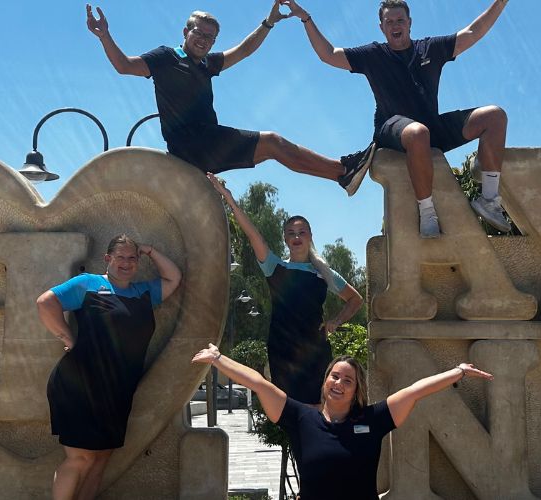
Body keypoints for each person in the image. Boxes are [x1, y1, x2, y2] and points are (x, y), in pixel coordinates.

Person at [85, 2, 376, 195]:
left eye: (210, 38)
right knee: (273, 142)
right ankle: (342, 170)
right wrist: (104, 36)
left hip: (210, 143)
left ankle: (341, 176)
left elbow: (244, 50)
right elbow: (124, 66)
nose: (204, 40)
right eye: (199, 33)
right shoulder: (167, 57)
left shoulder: (207, 64)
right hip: (192, 147)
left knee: (274, 148)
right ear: (186, 32)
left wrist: (269, 22)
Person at [286, 0, 515, 237]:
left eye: (400, 20)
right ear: (382, 27)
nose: (395, 25)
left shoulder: (429, 48)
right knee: (417, 133)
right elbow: (328, 54)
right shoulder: (373, 55)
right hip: (391, 128)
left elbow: (472, 33)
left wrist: (500, 3)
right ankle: (427, 213)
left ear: (409, 23)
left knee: (494, 116)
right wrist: (306, 18)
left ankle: (489, 199)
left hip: (431, 127)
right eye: (389, 22)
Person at [192, 345, 493, 499]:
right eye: (334, 376)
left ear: (356, 389)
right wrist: (218, 359)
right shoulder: (301, 417)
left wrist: (458, 372)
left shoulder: (372, 420)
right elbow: (259, 384)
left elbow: (414, 392)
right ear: (325, 381)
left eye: (347, 380)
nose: (339, 383)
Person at [36, 235, 181, 500]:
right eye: (120, 257)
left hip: (117, 391)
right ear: (107, 259)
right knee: (80, 458)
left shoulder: (143, 293)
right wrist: (67, 337)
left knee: (101, 458)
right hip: (79, 385)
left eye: (132, 258)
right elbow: (45, 303)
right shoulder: (89, 284)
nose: (126, 263)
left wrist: (150, 250)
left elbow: (173, 278)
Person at [209, 174, 362, 405]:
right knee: (290, 413)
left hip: (315, 351)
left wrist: (336, 321)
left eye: (301, 232)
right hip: (282, 351)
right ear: (285, 238)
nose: (296, 237)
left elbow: (355, 299)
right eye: (291, 233)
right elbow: (253, 235)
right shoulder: (275, 267)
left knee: (320, 410)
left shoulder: (323, 273)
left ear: (310, 236)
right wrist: (229, 199)